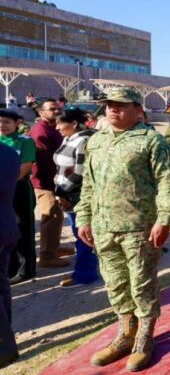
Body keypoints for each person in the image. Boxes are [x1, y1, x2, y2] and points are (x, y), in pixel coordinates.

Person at [76, 87, 170, 372]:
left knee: (142, 283)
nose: (112, 110)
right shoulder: (95, 141)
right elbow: (88, 185)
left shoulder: (151, 140)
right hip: (104, 227)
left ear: (137, 110)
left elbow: (168, 182)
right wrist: (83, 217)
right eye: (109, 105)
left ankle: (145, 337)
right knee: (116, 283)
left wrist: (164, 218)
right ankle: (125, 332)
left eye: (120, 105)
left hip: (139, 228)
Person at [53, 108, 99, 287]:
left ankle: (85, 274)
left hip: (75, 194)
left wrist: (63, 192)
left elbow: (81, 173)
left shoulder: (83, 140)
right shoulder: (69, 138)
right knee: (78, 232)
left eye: (60, 123)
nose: (57, 127)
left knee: (83, 235)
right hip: (66, 192)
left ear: (73, 124)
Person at [30, 98, 68, 268]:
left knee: (57, 215)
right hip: (45, 181)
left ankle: (53, 248)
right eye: (52, 109)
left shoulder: (52, 128)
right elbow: (46, 161)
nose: (56, 111)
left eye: (57, 108)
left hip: (54, 180)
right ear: (41, 112)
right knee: (51, 215)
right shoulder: (40, 131)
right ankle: (46, 256)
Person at [0, 110, 36, 284]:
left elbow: (26, 165)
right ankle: (10, 268)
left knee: (22, 227)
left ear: (17, 124)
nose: (2, 125)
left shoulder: (25, 141)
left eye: (6, 122)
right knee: (5, 229)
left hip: (18, 188)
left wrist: (7, 183)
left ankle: (26, 270)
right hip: (1, 191)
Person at [0, 142, 21, 368]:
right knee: (2, 285)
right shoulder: (8, 153)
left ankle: (4, 347)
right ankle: (6, 339)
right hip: (5, 226)